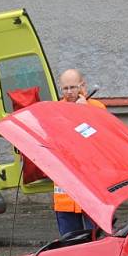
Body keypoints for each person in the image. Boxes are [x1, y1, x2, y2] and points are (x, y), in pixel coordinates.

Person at [54, 69, 106, 236]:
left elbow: (101, 140)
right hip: (66, 188)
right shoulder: (55, 110)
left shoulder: (97, 108)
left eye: (73, 87)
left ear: (83, 86)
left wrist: (85, 114)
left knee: (96, 238)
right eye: (65, 88)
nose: (69, 92)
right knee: (69, 241)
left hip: (92, 185)